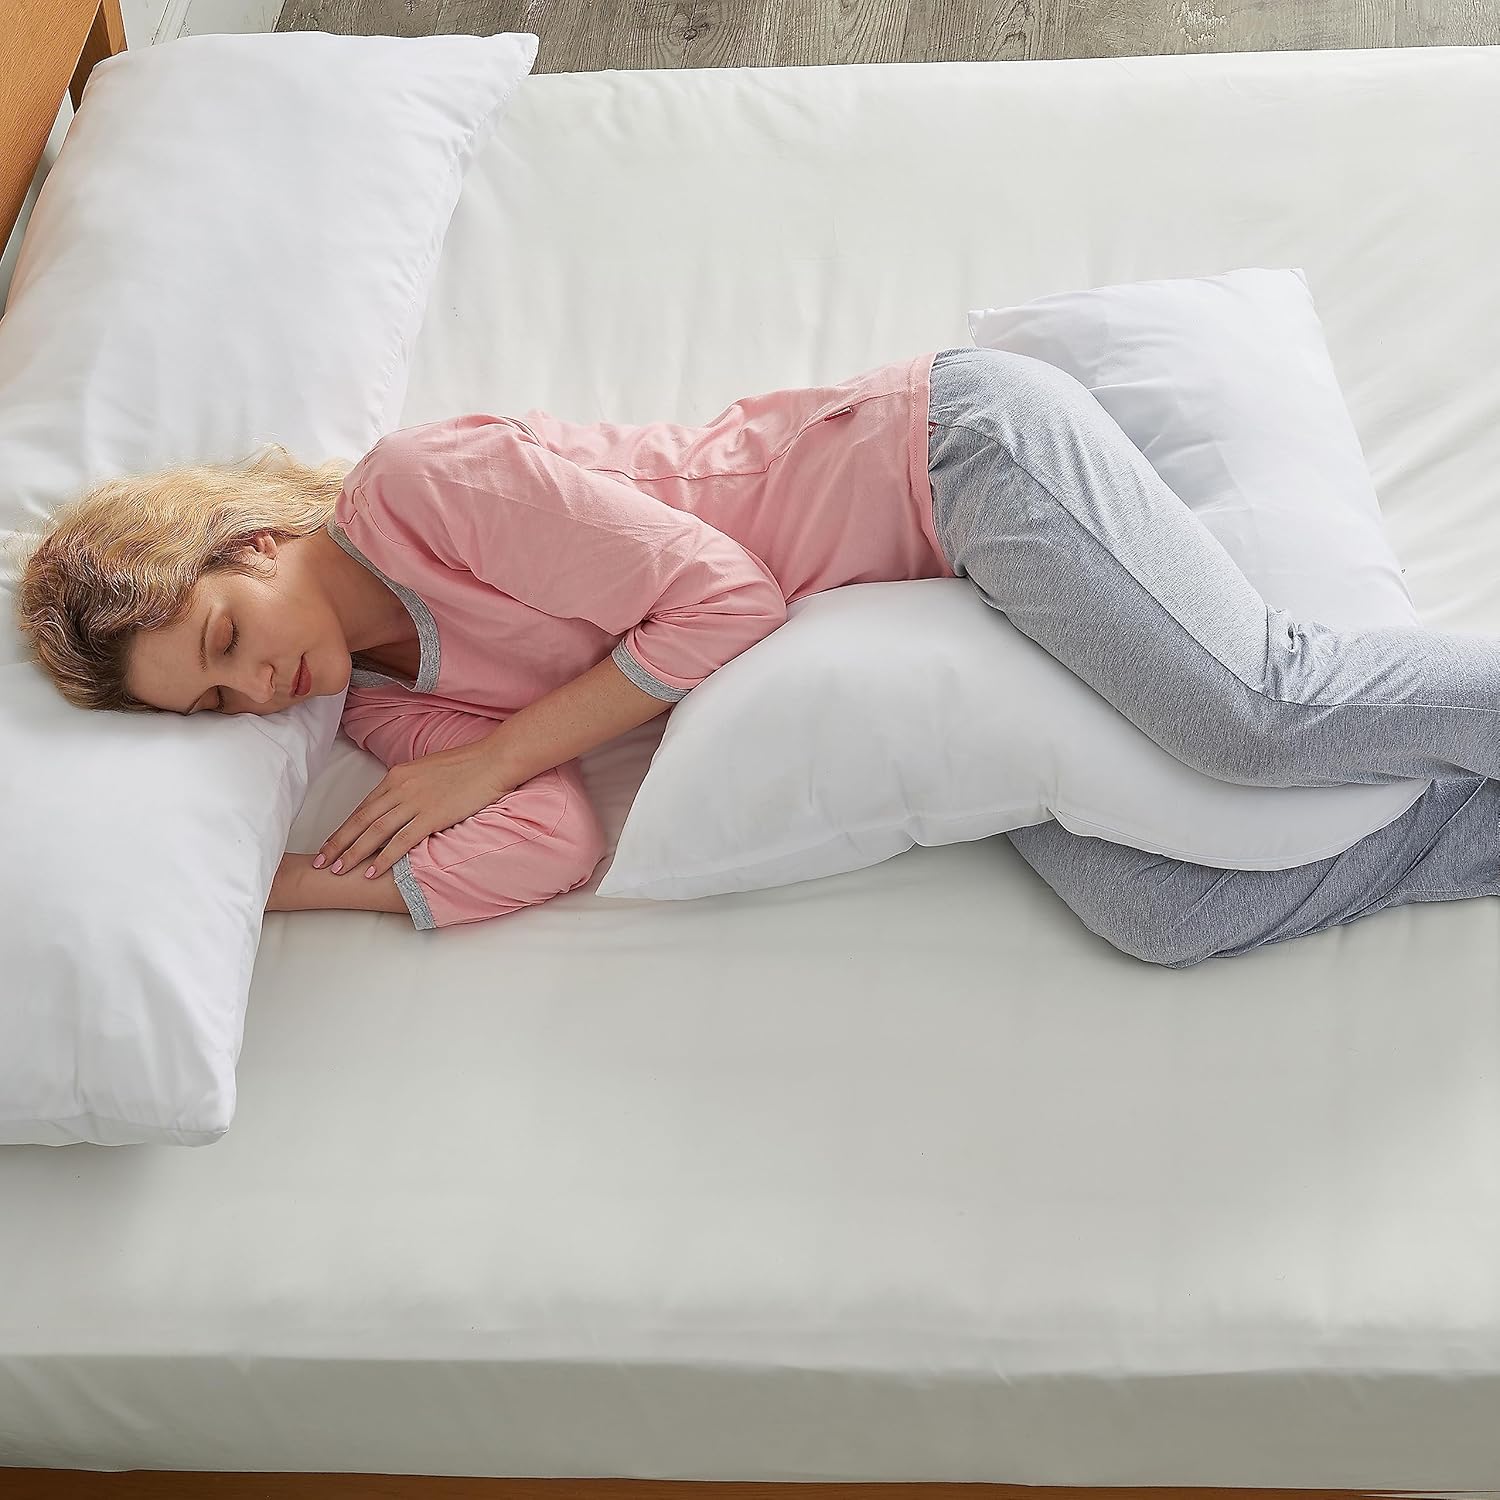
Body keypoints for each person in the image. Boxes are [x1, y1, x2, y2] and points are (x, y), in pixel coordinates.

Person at [13, 346, 1500, 961]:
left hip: (949, 470)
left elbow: (721, 601)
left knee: (1253, 716)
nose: (254, 688)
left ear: (247, 543)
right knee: (1156, 910)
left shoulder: (418, 492)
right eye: (214, 702)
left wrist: (496, 756)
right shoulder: (391, 716)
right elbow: (549, 843)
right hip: (925, 617)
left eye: (225, 640)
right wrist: (263, 886)